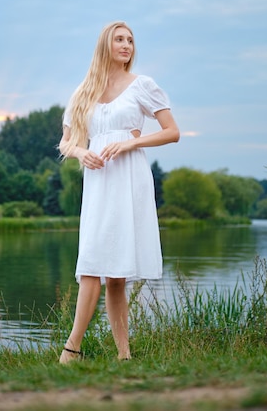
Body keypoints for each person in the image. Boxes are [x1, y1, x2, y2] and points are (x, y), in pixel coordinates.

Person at [58, 21, 180, 364]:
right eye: (119, 39)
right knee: (93, 262)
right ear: (105, 46)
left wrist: (132, 142)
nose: (126, 45)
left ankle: (121, 356)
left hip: (129, 177)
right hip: (97, 180)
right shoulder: (84, 91)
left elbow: (172, 132)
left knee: (116, 275)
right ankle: (73, 349)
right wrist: (82, 153)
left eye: (130, 40)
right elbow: (67, 141)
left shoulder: (143, 86)